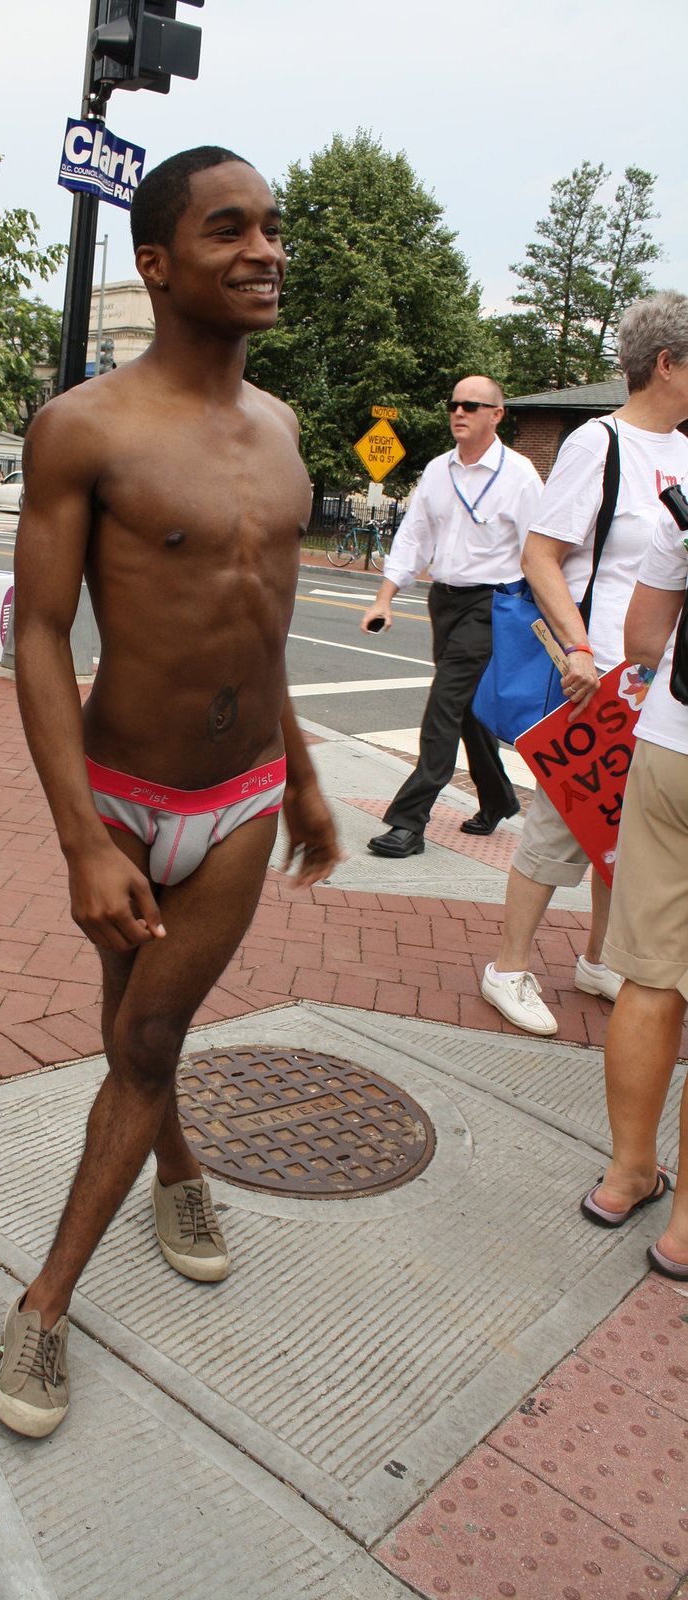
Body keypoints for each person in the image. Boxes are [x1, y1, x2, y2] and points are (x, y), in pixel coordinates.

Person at [0, 147, 341, 1439]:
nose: (262, 251)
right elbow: (35, 635)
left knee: (142, 1040)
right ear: (155, 262)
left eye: (270, 229)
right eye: (226, 230)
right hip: (118, 799)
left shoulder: (285, 431)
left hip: (239, 800)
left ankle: (43, 1303)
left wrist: (300, 780)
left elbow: (264, 632)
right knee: (137, 1029)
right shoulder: (83, 427)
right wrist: (80, 839)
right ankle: (177, 1166)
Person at [481, 292, 688, 1035]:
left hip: (662, 684)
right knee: (562, 825)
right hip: (598, 675)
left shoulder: (685, 451)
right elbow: (540, 554)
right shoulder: (596, 445)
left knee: (622, 830)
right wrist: (575, 646)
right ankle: (507, 965)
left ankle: (599, 958)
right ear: (665, 364)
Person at [362, 381, 542, 857]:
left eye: (471, 405)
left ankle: (408, 822)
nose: (458, 411)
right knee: (464, 709)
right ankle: (500, 797)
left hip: (491, 605)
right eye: (453, 404)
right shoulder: (438, 470)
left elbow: (540, 552)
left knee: (444, 704)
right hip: (444, 600)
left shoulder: (520, 475)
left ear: (496, 415)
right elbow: (413, 537)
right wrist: (385, 597)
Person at [578, 500, 688, 1277]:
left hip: (673, 750)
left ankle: (624, 1176)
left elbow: (644, 638)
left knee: (649, 976)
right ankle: (684, 1233)